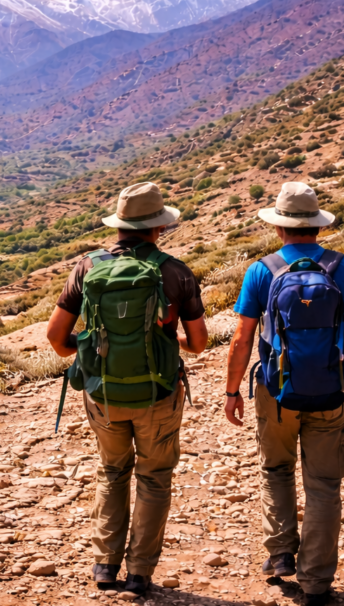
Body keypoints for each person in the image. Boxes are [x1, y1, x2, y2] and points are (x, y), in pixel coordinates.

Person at [46, 182, 208, 596]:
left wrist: (84, 356)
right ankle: (139, 574)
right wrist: (170, 345)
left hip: (103, 393)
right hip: (157, 394)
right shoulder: (174, 271)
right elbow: (201, 342)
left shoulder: (88, 267)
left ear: (119, 226)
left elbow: (56, 337)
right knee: (154, 477)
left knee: (112, 472)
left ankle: (105, 566)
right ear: (158, 227)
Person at [223, 182, 344, 606]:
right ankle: (316, 582)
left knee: (276, 469)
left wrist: (232, 391)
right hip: (333, 388)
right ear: (316, 226)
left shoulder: (262, 269)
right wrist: (339, 355)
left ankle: (279, 557)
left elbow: (241, 340)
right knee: (325, 485)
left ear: (279, 228)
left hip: (276, 391)